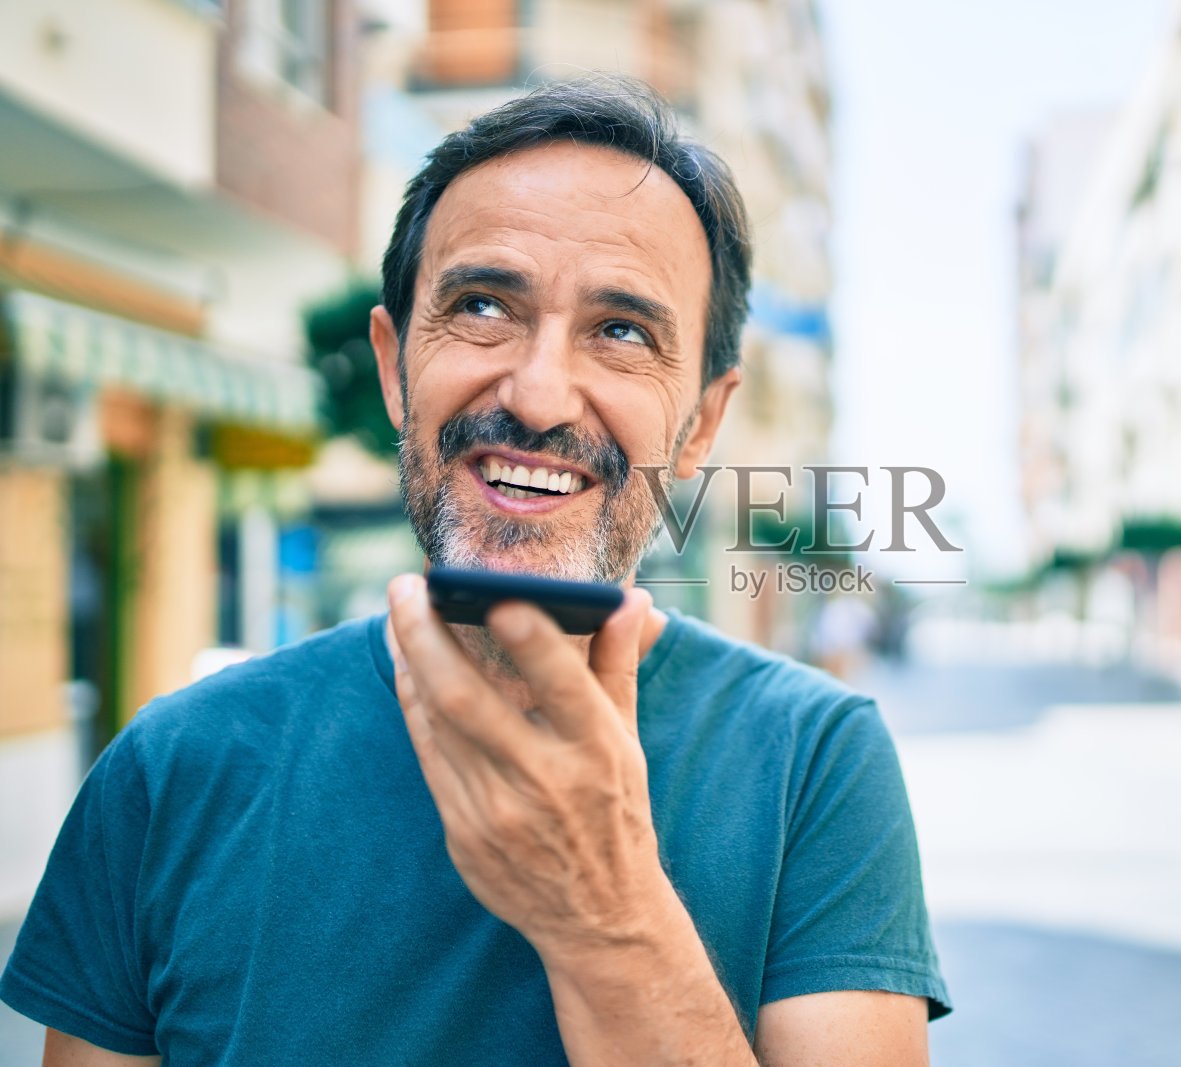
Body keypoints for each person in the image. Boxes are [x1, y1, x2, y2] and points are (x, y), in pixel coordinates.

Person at [0, 77, 950, 1065]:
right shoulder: (172, 767)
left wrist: (607, 913)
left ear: (701, 421)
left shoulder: (814, 762)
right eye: (483, 305)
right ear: (393, 363)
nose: (539, 395)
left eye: (622, 331)